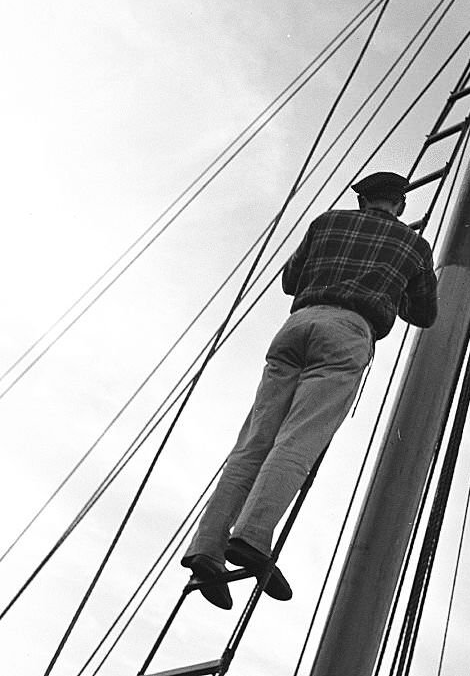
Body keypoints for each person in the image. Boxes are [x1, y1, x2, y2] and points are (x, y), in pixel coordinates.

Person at [181, 171, 438, 609]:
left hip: (296, 326)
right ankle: (252, 537)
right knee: (297, 443)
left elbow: (290, 280)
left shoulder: (326, 222)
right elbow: (425, 314)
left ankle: (206, 546)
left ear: (362, 201)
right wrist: (391, 287)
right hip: (348, 331)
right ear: (400, 205)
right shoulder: (413, 245)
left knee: (252, 444)